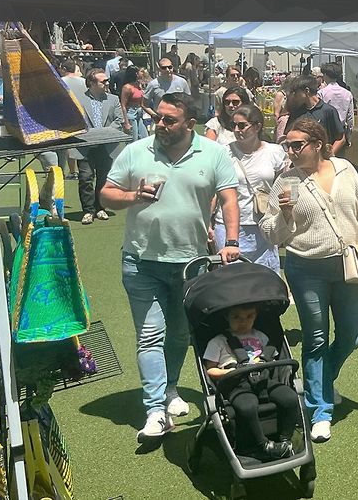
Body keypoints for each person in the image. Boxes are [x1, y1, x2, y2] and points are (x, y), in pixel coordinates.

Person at [100, 92, 242, 442]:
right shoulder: (137, 151)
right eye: (157, 118)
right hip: (141, 262)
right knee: (150, 336)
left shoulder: (213, 153)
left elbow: (228, 198)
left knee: (180, 334)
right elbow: (106, 194)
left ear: (189, 123)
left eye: (169, 120)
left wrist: (232, 242)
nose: (159, 125)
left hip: (190, 264)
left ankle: (171, 389)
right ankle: (154, 411)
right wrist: (134, 196)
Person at [259, 117, 358, 443]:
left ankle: (321, 381)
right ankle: (320, 408)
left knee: (351, 337)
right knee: (315, 339)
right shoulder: (285, 182)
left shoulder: (346, 170)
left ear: (317, 144)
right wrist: (286, 214)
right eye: (286, 145)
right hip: (306, 270)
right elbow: (270, 233)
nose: (289, 151)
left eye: (296, 144)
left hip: (348, 264)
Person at [201, 304, 300, 461]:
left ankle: (285, 440)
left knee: (290, 397)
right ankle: (263, 444)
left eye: (249, 317)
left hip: (264, 380)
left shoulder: (261, 337)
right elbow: (210, 370)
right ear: (226, 317)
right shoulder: (218, 341)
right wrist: (228, 372)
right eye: (236, 317)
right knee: (247, 406)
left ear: (255, 316)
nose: (243, 322)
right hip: (237, 384)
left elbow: (272, 360)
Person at [214, 105, 286, 270]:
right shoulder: (224, 153)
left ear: (257, 126)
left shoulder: (274, 152)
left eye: (242, 125)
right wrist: (207, 226)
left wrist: (283, 222)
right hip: (228, 225)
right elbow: (214, 191)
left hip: (263, 225)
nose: (237, 130)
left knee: (264, 278)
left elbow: (284, 184)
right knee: (231, 278)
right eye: (234, 125)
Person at [71, 69, 123, 225]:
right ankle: (88, 210)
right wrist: (90, 134)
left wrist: (103, 134)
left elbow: (119, 121)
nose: (107, 83)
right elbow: (74, 121)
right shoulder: (77, 99)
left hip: (106, 146)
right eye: (103, 81)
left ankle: (100, 208)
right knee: (86, 178)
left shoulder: (113, 99)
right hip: (85, 145)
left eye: (107, 80)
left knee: (104, 178)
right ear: (92, 83)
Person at [283, 75, 346, 157]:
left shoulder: (327, 111)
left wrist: (330, 154)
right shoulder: (297, 112)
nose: (294, 95)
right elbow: (288, 134)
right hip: (301, 160)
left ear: (306, 91)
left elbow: (341, 138)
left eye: (296, 92)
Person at [317, 62, 355, 134]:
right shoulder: (348, 93)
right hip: (341, 130)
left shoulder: (322, 93)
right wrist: (349, 136)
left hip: (326, 130)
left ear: (325, 75)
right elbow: (350, 118)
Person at [119, 66, 149, 141]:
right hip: (131, 113)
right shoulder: (127, 87)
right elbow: (123, 105)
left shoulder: (138, 84)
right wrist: (126, 122)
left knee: (144, 137)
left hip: (139, 113)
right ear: (136, 74)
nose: (142, 73)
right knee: (134, 139)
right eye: (140, 72)